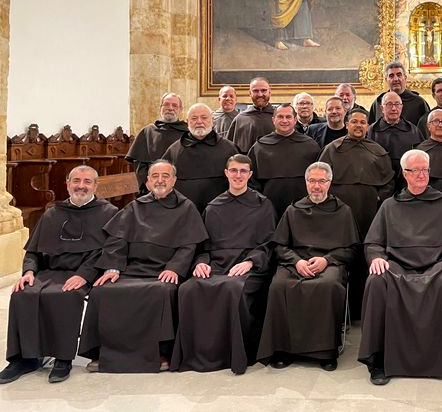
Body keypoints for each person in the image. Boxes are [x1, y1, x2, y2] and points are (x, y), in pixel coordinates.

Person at [78, 160, 208, 373]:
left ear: (174, 180)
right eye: (155, 176)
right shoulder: (135, 207)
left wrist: (174, 268)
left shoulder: (186, 208)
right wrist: (113, 268)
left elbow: (189, 245)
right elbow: (117, 240)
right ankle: (106, 354)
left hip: (163, 271)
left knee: (162, 291)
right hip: (131, 269)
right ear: (147, 182)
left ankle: (160, 353)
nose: (160, 180)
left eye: (165, 176)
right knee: (102, 291)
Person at [359, 150, 442, 386]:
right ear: (404, 173)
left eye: (425, 170)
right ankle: (378, 360)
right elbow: (373, 242)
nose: (421, 175)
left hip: (436, 267)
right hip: (398, 268)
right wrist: (377, 257)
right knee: (377, 280)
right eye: (415, 170)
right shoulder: (390, 205)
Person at [0, 166, 118, 384]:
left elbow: (108, 251)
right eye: (76, 181)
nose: (81, 186)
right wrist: (29, 271)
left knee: (65, 295)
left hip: (82, 274)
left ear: (95, 185)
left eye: (87, 181)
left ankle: (63, 358)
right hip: (48, 271)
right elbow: (33, 250)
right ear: (67, 183)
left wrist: (84, 275)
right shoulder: (53, 213)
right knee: (22, 294)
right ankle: (24, 359)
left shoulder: (108, 213)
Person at [171, 154, 276, 374]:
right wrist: (201, 263)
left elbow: (269, 244)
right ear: (226, 173)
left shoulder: (262, 205)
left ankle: (234, 354)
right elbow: (203, 245)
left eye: (243, 171)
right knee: (189, 288)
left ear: (250, 175)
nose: (238, 175)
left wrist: (250, 262)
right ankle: (197, 355)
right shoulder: (213, 206)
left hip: (249, 267)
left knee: (233, 288)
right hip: (217, 264)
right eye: (234, 171)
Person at [257, 162, 360, 371]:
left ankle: (325, 352)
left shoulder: (343, 211)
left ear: (330, 183)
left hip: (330, 263)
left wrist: (327, 260)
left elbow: (351, 250)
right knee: (279, 286)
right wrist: (297, 261)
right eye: (312, 181)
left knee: (328, 286)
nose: (316, 186)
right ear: (306, 182)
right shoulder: (293, 210)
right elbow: (279, 246)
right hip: (296, 262)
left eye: (321, 181)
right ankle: (284, 350)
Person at [319, 107, 394, 316]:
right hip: (338, 214)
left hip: (369, 214)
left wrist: (379, 200)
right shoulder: (332, 149)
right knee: (341, 256)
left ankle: (364, 309)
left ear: (367, 126)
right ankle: (342, 310)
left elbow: (388, 182)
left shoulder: (378, 150)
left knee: (365, 256)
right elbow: (322, 179)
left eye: (363, 122)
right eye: (355, 122)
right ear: (346, 124)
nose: (359, 126)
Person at [248, 103, 321, 218]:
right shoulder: (260, 147)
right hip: (269, 208)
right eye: (280, 117)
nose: (284, 120)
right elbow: (251, 181)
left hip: (303, 208)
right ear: (273, 119)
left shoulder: (310, 145)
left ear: (295, 120)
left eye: (288, 117)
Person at [162, 103, 239, 212]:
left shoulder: (229, 148)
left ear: (212, 120)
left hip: (221, 212)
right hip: (183, 213)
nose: (199, 121)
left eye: (204, 117)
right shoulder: (174, 150)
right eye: (194, 118)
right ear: (187, 122)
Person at [126, 92, 188, 190]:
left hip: (182, 186)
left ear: (180, 110)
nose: (170, 108)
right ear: (160, 107)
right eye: (166, 104)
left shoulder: (188, 133)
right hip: (153, 187)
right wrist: (146, 183)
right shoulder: (148, 131)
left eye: (175, 105)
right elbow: (139, 164)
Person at [367, 91, 425, 192]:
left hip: (407, 184)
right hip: (380, 184)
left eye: (397, 104)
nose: (394, 108)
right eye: (389, 105)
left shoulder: (413, 130)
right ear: (381, 108)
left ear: (402, 107)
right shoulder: (372, 130)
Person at [226, 77, 275, 154]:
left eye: (263, 90)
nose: (260, 94)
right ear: (250, 93)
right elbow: (230, 150)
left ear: (270, 92)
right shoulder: (240, 119)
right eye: (255, 91)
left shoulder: (279, 117)